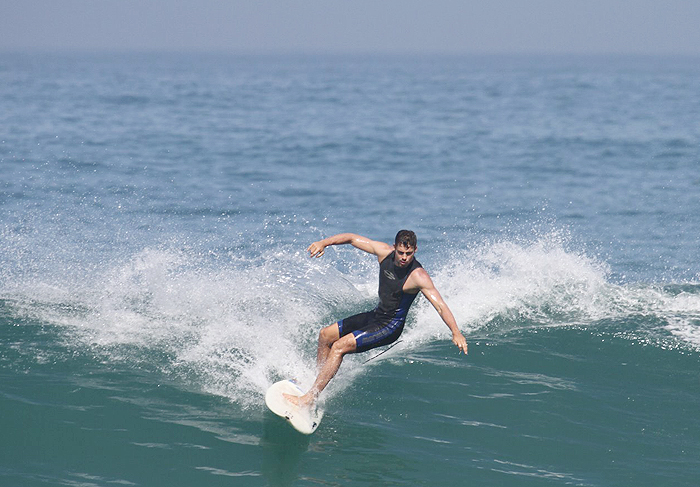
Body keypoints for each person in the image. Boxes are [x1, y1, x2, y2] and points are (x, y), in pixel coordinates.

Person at [284, 230, 468, 408]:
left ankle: (310, 398)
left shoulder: (418, 276)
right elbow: (352, 238)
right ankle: (317, 379)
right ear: (394, 247)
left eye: (409, 254)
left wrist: (456, 332)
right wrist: (324, 243)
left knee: (339, 347)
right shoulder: (383, 252)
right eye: (401, 252)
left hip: (390, 326)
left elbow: (441, 305)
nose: (404, 258)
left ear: (415, 250)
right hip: (376, 315)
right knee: (325, 335)